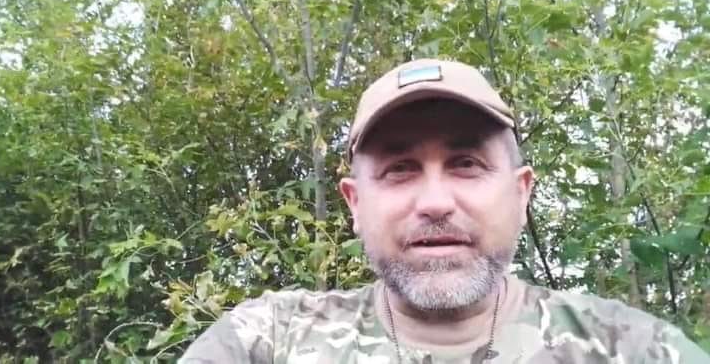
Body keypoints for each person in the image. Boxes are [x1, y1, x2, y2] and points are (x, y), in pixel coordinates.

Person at [179, 59, 709, 363]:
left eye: (467, 164)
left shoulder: (630, 348)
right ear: (355, 203)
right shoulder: (268, 340)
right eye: (399, 169)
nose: (435, 202)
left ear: (521, 193)